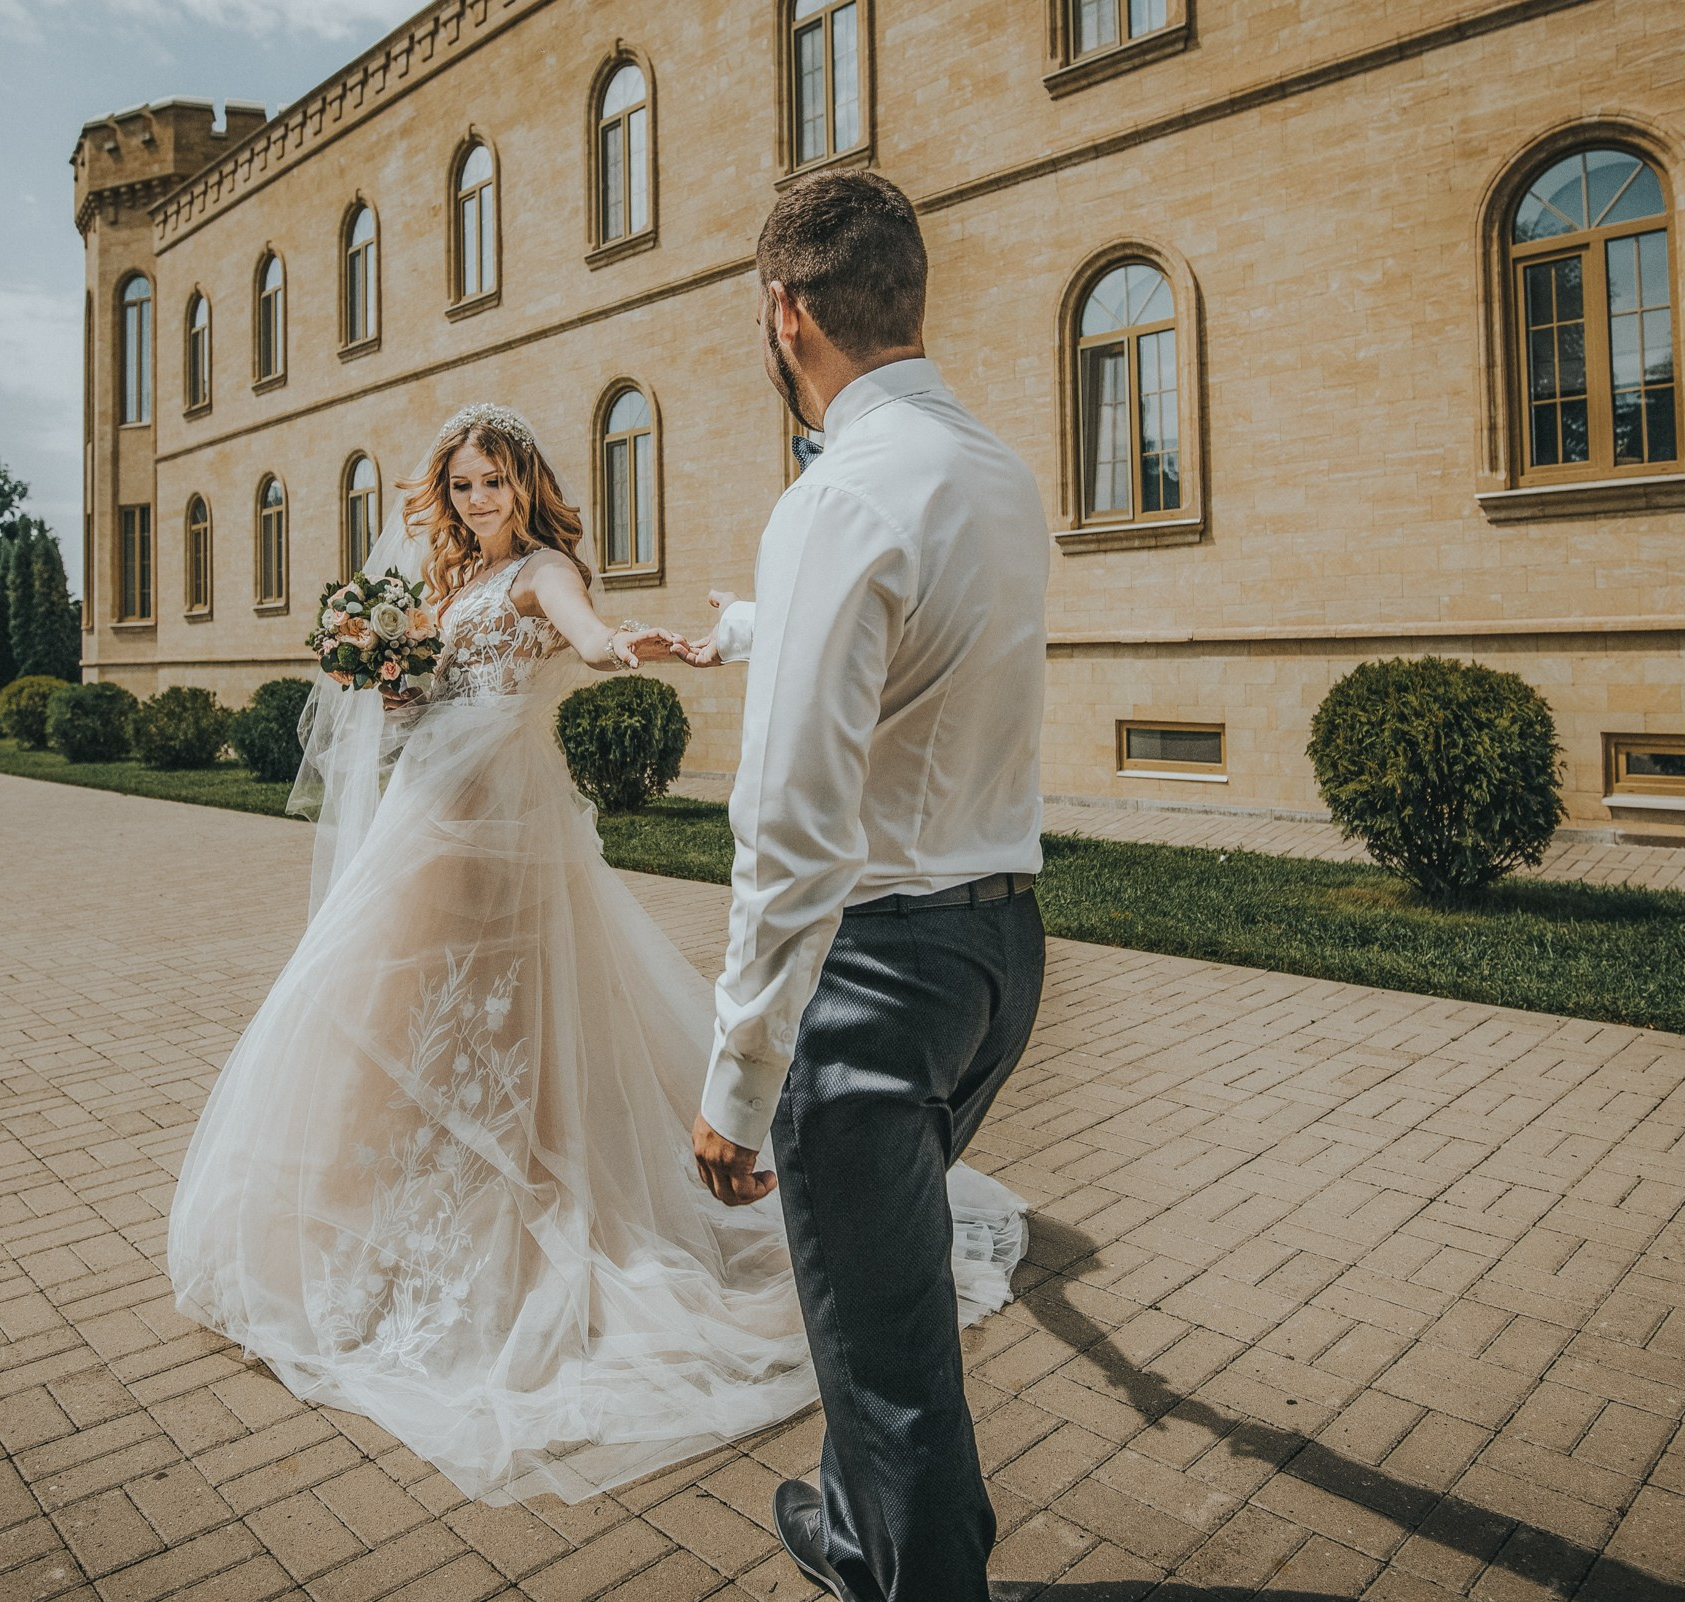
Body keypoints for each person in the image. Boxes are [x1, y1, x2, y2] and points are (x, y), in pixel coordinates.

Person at [166, 400, 1033, 1507]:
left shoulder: (537, 574)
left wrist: (638, 645)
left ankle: (529, 1227)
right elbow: (423, 701)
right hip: (425, 814)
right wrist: (392, 678)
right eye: (465, 486)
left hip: (499, 827)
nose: (481, 501)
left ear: (525, 485)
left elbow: (588, 635)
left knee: (504, 1018)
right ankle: (393, 1230)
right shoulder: (447, 587)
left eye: (495, 483)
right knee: (401, 1015)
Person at [680, 171, 1051, 1602]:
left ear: (785, 312)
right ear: (911, 294)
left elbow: (790, 830)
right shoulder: (993, 472)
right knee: (879, 1300)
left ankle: (910, 1570)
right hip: (998, 957)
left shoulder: (835, 497)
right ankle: (850, 1524)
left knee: (891, 1362)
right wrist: (755, 629)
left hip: (877, 984)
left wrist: (737, 1069)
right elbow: (930, 634)